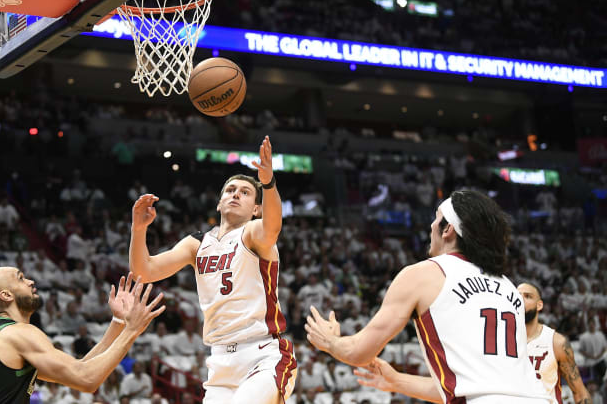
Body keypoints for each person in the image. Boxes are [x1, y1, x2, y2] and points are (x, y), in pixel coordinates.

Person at [305, 190, 550, 403]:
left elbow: (359, 352)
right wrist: (397, 381)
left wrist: (330, 342)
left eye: (436, 219)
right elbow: (473, 386)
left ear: (448, 230)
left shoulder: (423, 274)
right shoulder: (508, 288)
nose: (431, 226)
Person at [129, 136, 297, 404]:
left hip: (262, 353)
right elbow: (144, 272)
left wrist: (268, 182)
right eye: (230, 190)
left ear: (256, 209)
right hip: (220, 361)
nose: (235, 195)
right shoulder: (197, 244)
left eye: (244, 192)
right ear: (219, 203)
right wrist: (138, 230)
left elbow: (273, 226)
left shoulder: (253, 233)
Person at [0, 269, 164, 404]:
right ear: (6, 295)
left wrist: (119, 323)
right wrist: (132, 330)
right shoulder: (17, 333)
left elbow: (81, 368)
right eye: (20, 278)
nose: (30, 281)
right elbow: (87, 379)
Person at [518, 282, 592, 404]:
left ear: (539, 305)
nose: (521, 299)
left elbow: (580, 392)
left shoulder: (556, 342)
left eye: (527, 296)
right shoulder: (500, 339)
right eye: (518, 295)